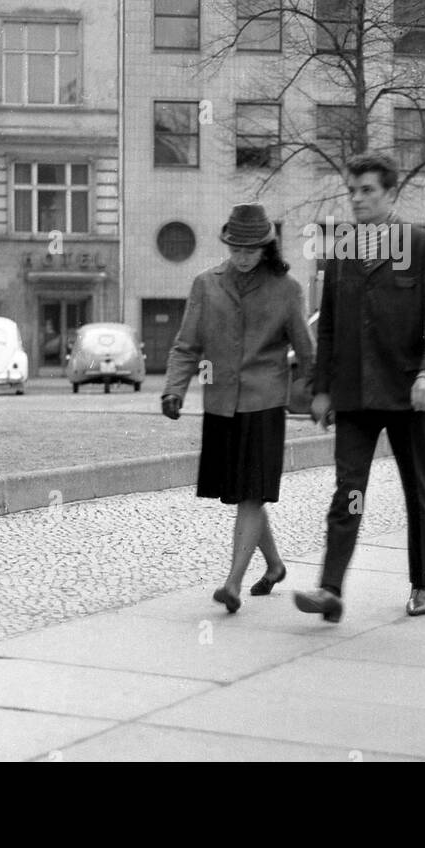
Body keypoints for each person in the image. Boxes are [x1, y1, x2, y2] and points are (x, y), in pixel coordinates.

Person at [293, 154, 425, 624]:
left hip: (410, 393)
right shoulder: (340, 249)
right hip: (356, 395)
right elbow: (328, 328)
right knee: (349, 491)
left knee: (417, 488)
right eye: (353, 191)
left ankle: (422, 584)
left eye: (367, 191)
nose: (357, 199)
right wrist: (321, 389)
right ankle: (329, 589)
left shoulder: (421, 246)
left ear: (391, 194)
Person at [161, 202, 314, 614]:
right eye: (236, 248)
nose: (242, 256)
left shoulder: (287, 290)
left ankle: (232, 584)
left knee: (251, 492)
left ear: (265, 247)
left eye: (250, 249)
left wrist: (317, 395)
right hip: (221, 404)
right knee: (245, 494)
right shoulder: (205, 285)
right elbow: (187, 344)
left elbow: (305, 350)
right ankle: (276, 564)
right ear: (227, 244)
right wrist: (174, 389)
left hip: (264, 404)